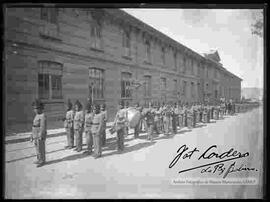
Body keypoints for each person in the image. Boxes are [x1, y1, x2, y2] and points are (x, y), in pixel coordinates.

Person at [31, 99, 47, 167]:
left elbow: (43, 127)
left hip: (39, 134)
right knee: (37, 148)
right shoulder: (37, 115)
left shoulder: (42, 116)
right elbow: (34, 126)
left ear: (40, 108)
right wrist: (32, 134)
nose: (35, 110)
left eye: (36, 108)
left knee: (41, 148)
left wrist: (41, 135)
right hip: (35, 133)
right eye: (34, 108)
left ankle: (42, 160)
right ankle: (39, 159)